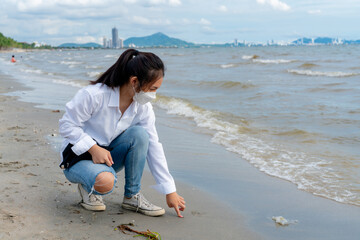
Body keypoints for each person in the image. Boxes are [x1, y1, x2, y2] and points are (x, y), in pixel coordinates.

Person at [59, 49, 186, 218]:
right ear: (134, 81)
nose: (153, 95)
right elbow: (67, 125)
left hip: (108, 157)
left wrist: (170, 190)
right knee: (105, 182)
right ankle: (87, 186)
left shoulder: (142, 106)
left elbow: (153, 145)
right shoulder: (94, 95)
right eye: (152, 89)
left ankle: (132, 196)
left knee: (140, 134)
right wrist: (93, 148)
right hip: (77, 159)